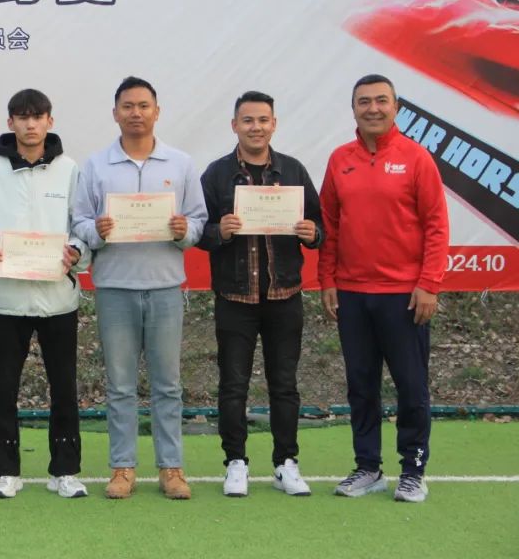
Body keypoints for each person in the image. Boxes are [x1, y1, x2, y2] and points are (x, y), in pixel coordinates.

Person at [71, 76, 207, 500]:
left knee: (168, 385)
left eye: (143, 106)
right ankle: (123, 467)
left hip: (165, 287)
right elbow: (78, 222)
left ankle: (171, 468)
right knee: (120, 385)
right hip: (115, 287)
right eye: (127, 106)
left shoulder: (180, 164)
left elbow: (199, 221)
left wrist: (184, 231)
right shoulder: (96, 165)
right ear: (115, 113)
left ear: (156, 112)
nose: (136, 113)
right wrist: (96, 230)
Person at [319, 74, 448, 503]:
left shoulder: (417, 158)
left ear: (396, 107)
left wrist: (428, 284)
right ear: (353, 108)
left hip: (404, 295)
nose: (372, 108)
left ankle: (414, 470)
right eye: (364, 102)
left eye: (381, 101)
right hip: (353, 294)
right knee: (361, 385)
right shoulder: (340, 159)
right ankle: (368, 467)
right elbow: (330, 226)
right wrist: (328, 280)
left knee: (411, 386)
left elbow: (436, 226)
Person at [198, 90, 324, 498]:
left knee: (284, 384)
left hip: (284, 294)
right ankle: (235, 462)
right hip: (235, 297)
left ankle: (286, 463)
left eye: (263, 120)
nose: (256, 127)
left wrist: (312, 234)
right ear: (234, 125)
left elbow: (320, 226)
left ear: (274, 124)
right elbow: (198, 232)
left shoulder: (293, 170)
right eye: (248, 120)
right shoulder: (216, 175)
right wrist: (219, 231)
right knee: (233, 385)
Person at [0, 89, 91, 500]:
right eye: (22, 117)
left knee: (64, 385)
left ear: (49, 121)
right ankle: (5, 471)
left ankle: (65, 470)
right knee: (4, 386)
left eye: (37, 116)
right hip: (9, 297)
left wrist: (76, 251)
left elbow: (82, 224)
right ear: (10, 122)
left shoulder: (70, 169)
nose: (30, 124)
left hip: (58, 297)